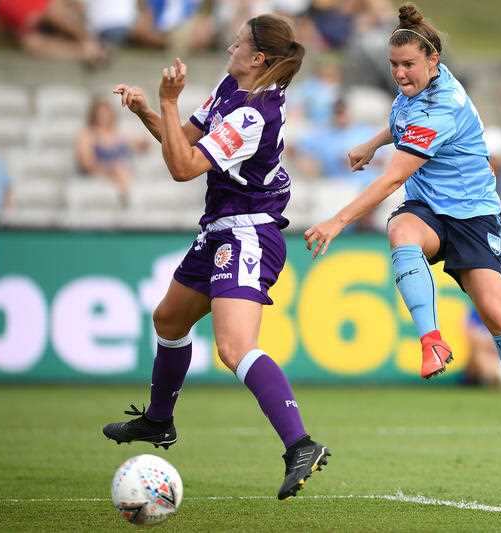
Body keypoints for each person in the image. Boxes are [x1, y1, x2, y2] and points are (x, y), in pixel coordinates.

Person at [303, 3, 501, 462]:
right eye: (394, 66)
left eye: (408, 65)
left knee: (500, 320)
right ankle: (431, 341)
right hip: (429, 209)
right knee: (402, 231)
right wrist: (371, 143)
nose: (400, 74)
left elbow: (391, 180)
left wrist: (336, 220)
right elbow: (398, 122)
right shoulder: (415, 94)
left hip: (473, 218)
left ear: (434, 62)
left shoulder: (442, 109)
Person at [101, 15, 330, 501]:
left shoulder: (254, 113)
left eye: (240, 41)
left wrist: (166, 99)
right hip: (221, 228)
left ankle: (301, 444)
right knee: (168, 320)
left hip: (248, 233)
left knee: (233, 346)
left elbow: (182, 169)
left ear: (258, 59)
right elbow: (181, 138)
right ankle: (159, 421)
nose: (231, 45)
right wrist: (150, 110)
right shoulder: (230, 86)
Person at [75, 96, 150, 203]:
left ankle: (128, 200)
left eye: (106, 113)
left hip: (122, 173)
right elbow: (86, 163)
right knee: (120, 172)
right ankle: (125, 200)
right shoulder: (87, 134)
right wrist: (109, 170)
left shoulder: (118, 133)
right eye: (100, 113)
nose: (104, 117)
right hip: (100, 174)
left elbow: (138, 144)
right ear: (94, 115)